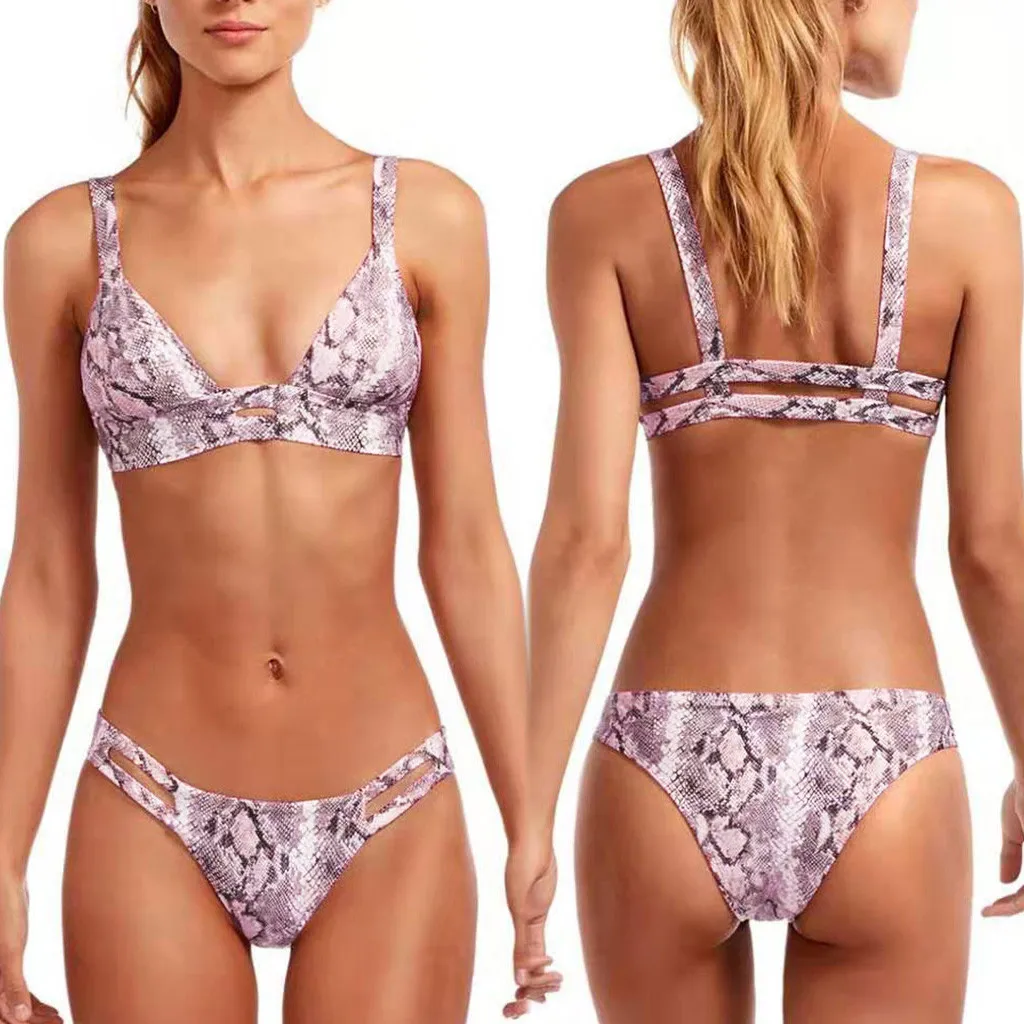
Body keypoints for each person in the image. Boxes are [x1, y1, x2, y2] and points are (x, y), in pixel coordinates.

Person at [0, 2, 548, 1021]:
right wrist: (2, 858)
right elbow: (45, 573)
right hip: (149, 797)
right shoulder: (60, 241)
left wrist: (530, 817)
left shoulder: (426, 215)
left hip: (388, 796)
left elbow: (468, 543)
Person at [520, 1, 1024, 1020]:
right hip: (884, 747)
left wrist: (527, 811)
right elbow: (992, 545)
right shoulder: (968, 214)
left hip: (662, 749)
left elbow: (586, 543)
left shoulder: (604, 214)